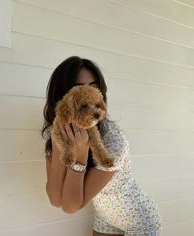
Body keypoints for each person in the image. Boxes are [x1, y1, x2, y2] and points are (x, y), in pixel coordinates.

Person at [42, 56, 163, 236]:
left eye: (94, 87)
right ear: (63, 97)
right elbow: (56, 199)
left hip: (139, 219)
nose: (89, 95)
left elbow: (70, 205)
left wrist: (81, 152)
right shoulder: (54, 132)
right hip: (105, 218)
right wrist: (61, 145)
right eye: (79, 88)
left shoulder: (113, 142)